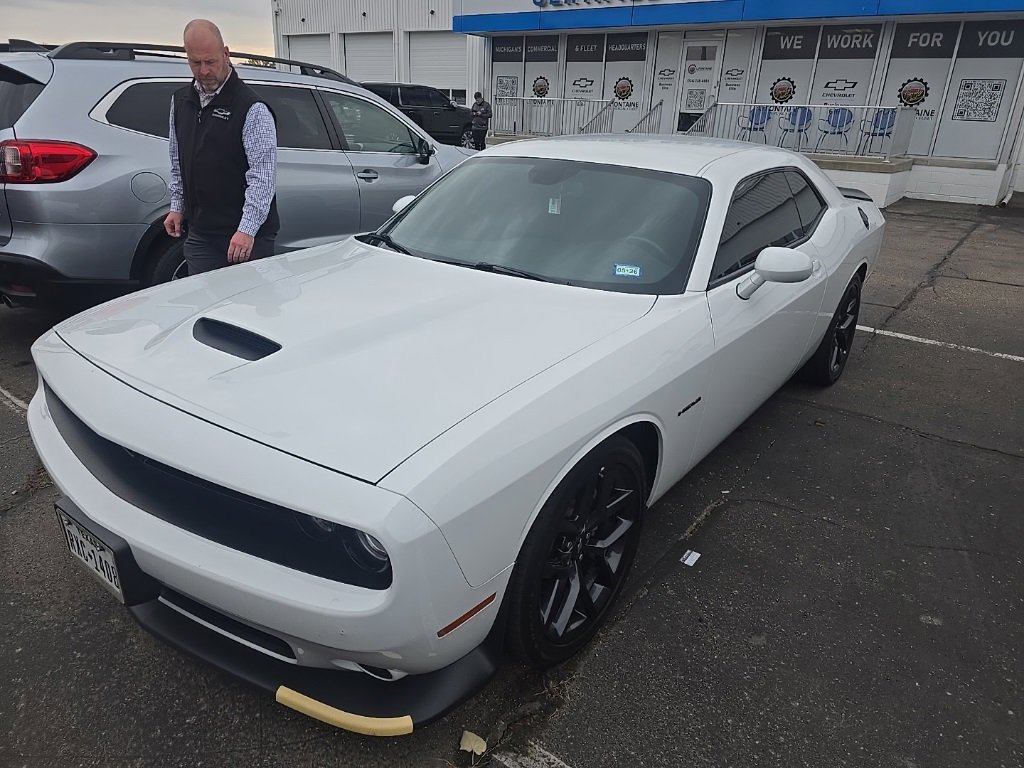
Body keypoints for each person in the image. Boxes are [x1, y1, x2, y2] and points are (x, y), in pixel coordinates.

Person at [164, 19, 279, 276]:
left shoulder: (252, 109)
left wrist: (247, 230)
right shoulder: (181, 101)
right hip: (201, 234)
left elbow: (263, 177)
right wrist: (177, 206)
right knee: (203, 305)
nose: (204, 71)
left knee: (245, 310)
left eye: (210, 62)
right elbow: (178, 160)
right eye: (196, 62)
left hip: (244, 237)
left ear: (225, 54)